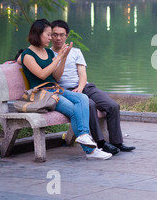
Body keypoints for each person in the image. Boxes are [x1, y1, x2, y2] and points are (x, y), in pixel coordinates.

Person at [20, 19, 112, 160]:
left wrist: (63, 58)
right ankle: (90, 150)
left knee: (83, 98)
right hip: (41, 93)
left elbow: (56, 77)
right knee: (75, 110)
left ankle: (84, 137)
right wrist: (59, 58)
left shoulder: (48, 53)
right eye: (49, 35)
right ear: (38, 34)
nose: (51, 38)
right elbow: (42, 74)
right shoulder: (28, 55)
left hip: (55, 90)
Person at [50, 20, 135, 155]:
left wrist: (80, 87)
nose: (58, 38)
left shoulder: (76, 52)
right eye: (55, 35)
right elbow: (54, 78)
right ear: (50, 36)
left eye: (61, 35)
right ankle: (100, 143)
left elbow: (82, 73)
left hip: (84, 87)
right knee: (89, 105)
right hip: (65, 92)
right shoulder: (48, 55)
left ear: (66, 36)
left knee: (112, 105)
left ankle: (117, 142)